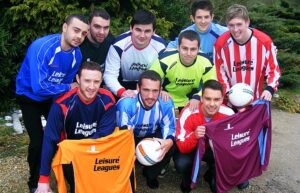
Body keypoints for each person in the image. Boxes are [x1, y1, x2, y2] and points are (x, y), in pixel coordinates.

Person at [15, 14, 89, 193]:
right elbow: (39, 87)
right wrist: (67, 87)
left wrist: (62, 112)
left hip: (52, 98)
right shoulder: (42, 47)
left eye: (84, 34)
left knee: (66, 134)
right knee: (38, 142)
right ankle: (35, 184)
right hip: (29, 96)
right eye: (76, 30)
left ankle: (70, 177)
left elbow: (65, 86)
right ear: (65, 28)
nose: (79, 36)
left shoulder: (76, 55)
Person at [35, 61, 117, 193]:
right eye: (87, 81)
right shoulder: (62, 103)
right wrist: (43, 179)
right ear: (78, 79)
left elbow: (105, 134)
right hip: (71, 155)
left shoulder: (107, 99)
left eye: (96, 82)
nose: (91, 86)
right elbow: (50, 139)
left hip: (97, 150)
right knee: (79, 187)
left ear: (101, 81)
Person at [116, 70, 176, 189]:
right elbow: (123, 135)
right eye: (146, 90)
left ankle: (151, 174)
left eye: (155, 91)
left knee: (172, 143)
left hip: (152, 135)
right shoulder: (126, 104)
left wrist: (169, 141)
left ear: (160, 90)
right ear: (138, 88)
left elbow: (169, 127)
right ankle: (125, 175)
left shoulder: (166, 103)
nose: (150, 96)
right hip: (130, 137)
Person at [174, 80, 234, 193]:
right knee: (182, 163)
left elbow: (234, 141)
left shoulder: (229, 114)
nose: (212, 104)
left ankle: (211, 175)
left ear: (222, 100)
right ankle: (187, 180)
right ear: (201, 98)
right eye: (208, 98)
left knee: (228, 157)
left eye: (216, 99)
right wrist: (194, 136)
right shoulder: (188, 113)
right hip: (193, 149)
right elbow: (182, 146)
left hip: (213, 150)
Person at [214, 4, 281, 102]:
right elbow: (219, 72)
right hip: (230, 101)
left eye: (239, 24)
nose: (235, 29)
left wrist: (270, 89)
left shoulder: (264, 41)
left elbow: (273, 69)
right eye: (231, 25)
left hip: (255, 101)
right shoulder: (220, 44)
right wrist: (229, 93)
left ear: (247, 22)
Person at [103, 9, 166, 98]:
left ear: (154, 32)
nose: (142, 35)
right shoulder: (118, 45)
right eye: (138, 30)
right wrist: (121, 92)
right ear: (131, 28)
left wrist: (161, 89)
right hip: (122, 84)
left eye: (147, 31)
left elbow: (165, 73)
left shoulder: (161, 47)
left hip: (150, 86)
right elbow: (110, 75)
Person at [150, 30, 216, 111]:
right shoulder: (165, 59)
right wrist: (160, 90)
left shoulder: (206, 62)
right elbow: (149, 79)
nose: (188, 53)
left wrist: (198, 97)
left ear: (199, 49)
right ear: (178, 47)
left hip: (191, 100)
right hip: (166, 98)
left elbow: (211, 84)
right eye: (185, 48)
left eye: (193, 49)